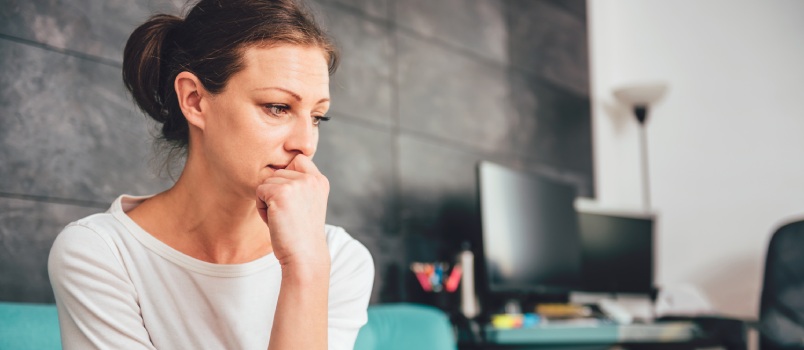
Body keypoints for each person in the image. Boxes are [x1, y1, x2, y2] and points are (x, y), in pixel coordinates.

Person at [47, 0, 374, 349]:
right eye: (278, 107)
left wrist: (305, 266)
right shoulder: (100, 253)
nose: (306, 144)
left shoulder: (339, 259)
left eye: (316, 117)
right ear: (194, 100)